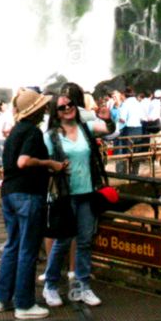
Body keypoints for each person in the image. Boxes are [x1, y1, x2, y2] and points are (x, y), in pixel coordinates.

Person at [0, 88, 66, 320]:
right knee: (27, 249)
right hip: (27, 194)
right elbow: (23, 161)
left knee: (12, 245)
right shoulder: (33, 133)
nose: (46, 110)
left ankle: (2, 298)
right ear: (35, 111)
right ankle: (24, 304)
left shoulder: (15, 131)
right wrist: (50, 164)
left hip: (9, 194)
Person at [41, 86, 114, 309]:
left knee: (84, 241)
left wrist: (108, 118)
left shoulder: (86, 128)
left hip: (87, 192)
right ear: (56, 112)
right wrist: (54, 168)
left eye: (70, 105)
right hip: (64, 195)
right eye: (62, 107)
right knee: (62, 241)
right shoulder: (50, 137)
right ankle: (51, 285)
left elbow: (109, 130)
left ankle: (82, 286)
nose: (67, 109)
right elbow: (42, 164)